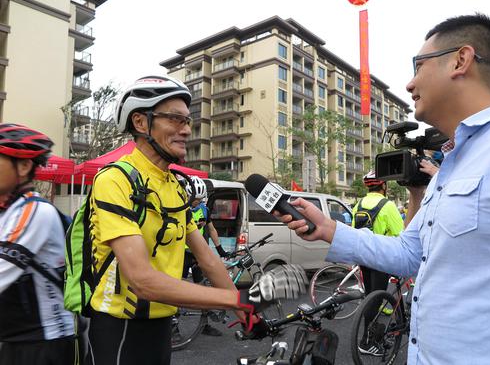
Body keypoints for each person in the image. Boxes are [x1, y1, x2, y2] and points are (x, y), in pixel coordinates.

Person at [278, 14, 490, 364]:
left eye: (418, 66)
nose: (409, 84)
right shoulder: (448, 168)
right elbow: (409, 254)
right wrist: (330, 229)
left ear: (460, 60)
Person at [85, 75, 304, 365]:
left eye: (188, 121)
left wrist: (247, 315)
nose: (187, 130)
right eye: (175, 119)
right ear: (140, 123)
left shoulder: (174, 185)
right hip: (120, 328)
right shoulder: (115, 179)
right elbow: (141, 280)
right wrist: (240, 300)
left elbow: (207, 259)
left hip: (161, 325)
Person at [0, 124, 82, 365]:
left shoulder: (35, 211)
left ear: (24, 166)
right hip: (16, 339)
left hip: (45, 342)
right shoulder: (8, 212)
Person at [352, 171, 403, 355]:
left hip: (363, 258)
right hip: (381, 258)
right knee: (376, 299)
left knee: (370, 297)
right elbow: (401, 233)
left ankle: (368, 338)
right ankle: (367, 342)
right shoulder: (387, 205)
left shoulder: (358, 204)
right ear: (383, 186)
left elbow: (354, 232)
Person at [182, 175, 228, 337]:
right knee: (177, 287)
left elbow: (212, 229)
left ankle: (204, 325)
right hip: (181, 254)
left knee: (202, 288)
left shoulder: (204, 209)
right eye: (195, 199)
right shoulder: (181, 209)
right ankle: (172, 327)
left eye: (200, 199)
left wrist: (220, 248)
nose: (198, 202)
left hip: (197, 253)